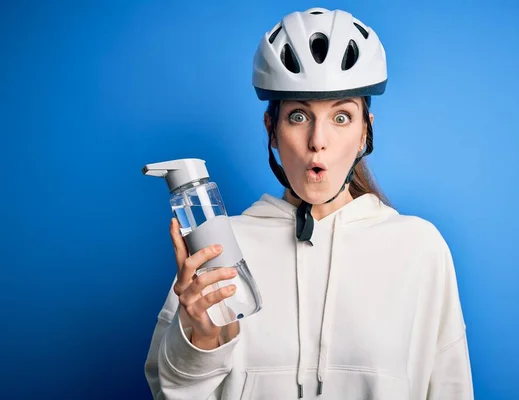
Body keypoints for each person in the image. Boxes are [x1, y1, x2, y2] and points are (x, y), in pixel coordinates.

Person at [144, 7, 474, 400]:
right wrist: (199, 336)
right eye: (299, 115)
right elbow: (171, 395)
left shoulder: (419, 248)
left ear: (365, 131)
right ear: (272, 129)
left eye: (341, 117)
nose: (318, 140)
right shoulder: (220, 249)